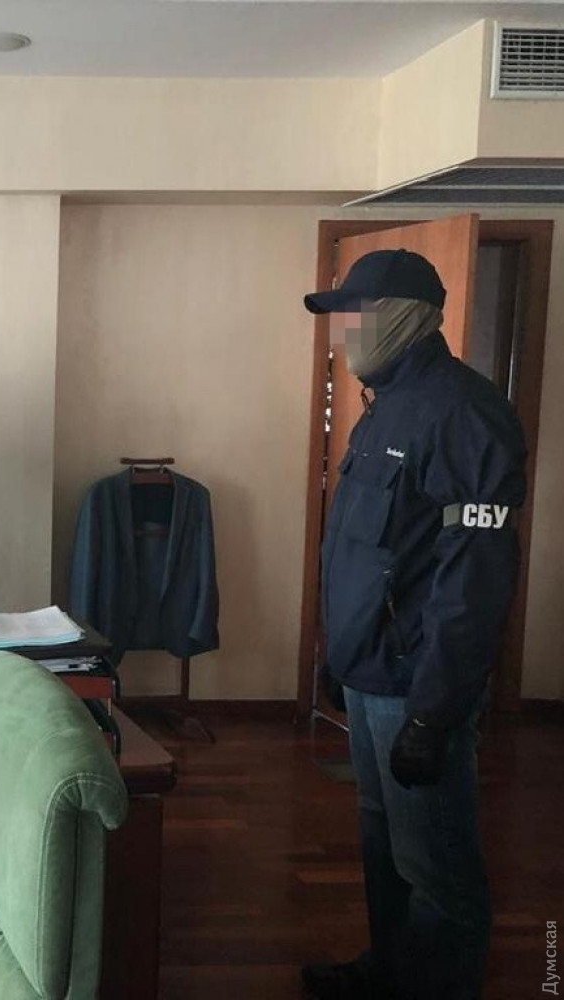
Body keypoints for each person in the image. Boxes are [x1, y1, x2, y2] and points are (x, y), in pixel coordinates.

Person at [302, 249, 526, 1000]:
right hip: (370, 674)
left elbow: (474, 584)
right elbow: (368, 552)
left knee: (437, 867)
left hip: (414, 686)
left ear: (401, 318)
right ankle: (390, 971)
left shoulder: (463, 412)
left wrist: (434, 712)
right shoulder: (384, 405)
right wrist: (338, 654)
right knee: (384, 842)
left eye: (354, 316)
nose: (343, 334)